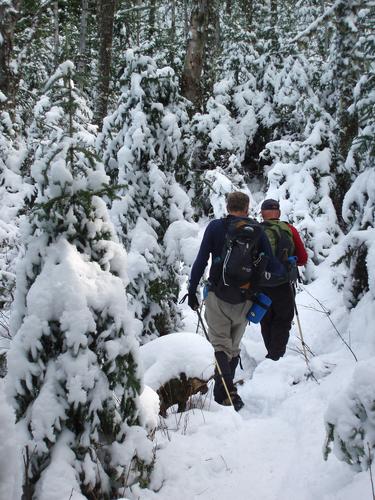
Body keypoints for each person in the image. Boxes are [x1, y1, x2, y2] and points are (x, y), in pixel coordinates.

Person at [188, 192, 272, 411]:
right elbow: (269, 263)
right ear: (247, 208)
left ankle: (227, 394)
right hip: (245, 299)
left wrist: (192, 289)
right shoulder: (257, 231)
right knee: (233, 348)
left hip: (218, 296)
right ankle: (224, 393)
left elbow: (201, 260)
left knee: (220, 346)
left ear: (227, 206)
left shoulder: (216, 227)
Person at [260, 199, 308, 361]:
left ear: (262, 213)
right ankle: (276, 356)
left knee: (266, 320)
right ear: (278, 213)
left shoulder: (256, 231)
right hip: (284, 284)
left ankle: (272, 355)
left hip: (261, 284)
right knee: (282, 319)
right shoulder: (289, 229)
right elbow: (302, 258)